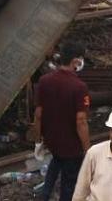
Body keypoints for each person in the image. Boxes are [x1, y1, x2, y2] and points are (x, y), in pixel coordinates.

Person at [33, 41, 90, 201]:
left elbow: (38, 114)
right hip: (72, 146)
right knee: (69, 184)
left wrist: (38, 140)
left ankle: (44, 195)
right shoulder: (79, 87)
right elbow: (81, 121)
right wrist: (87, 149)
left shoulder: (44, 81)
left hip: (52, 140)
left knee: (56, 161)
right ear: (76, 61)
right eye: (81, 59)